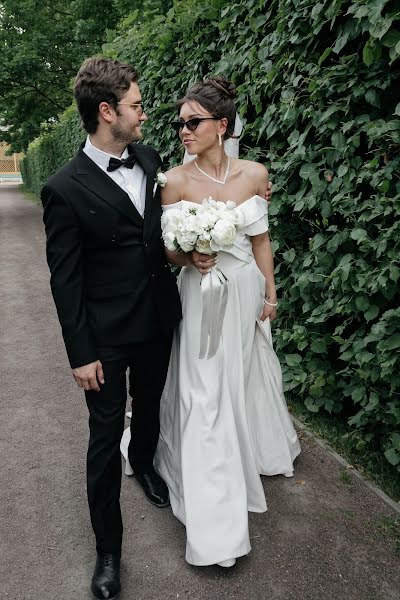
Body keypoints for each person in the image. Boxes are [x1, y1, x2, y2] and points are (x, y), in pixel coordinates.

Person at [122, 77, 300, 568]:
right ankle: (215, 517)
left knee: (238, 377)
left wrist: (270, 291)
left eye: (193, 122)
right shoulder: (174, 180)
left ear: (222, 126)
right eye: (180, 122)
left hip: (243, 293)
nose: (183, 130)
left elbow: (260, 239)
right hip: (199, 297)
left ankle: (246, 452)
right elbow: (165, 249)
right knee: (205, 389)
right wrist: (189, 257)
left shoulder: (255, 174)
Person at [41, 57, 183, 600]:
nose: (145, 114)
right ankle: (108, 550)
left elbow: (164, 228)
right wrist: (81, 353)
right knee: (103, 439)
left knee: (149, 404)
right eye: (137, 106)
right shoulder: (63, 189)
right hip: (104, 335)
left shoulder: (149, 158)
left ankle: (144, 463)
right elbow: (65, 280)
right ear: (107, 111)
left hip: (158, 320)